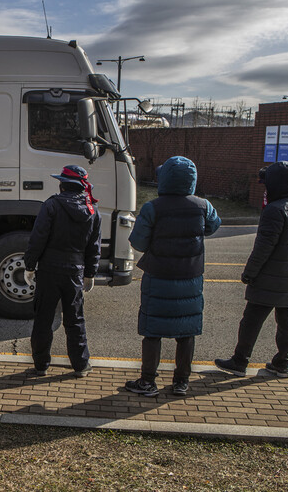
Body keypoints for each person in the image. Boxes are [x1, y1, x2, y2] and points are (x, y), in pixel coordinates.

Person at [123, 156, 221, 397]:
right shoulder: (203, 206)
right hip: (191, 277)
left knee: (153, 331)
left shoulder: (153, 208)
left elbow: (138, 242)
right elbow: (213, 226)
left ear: (165, 179)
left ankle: (148, 381)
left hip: (158, 277)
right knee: (186, 332)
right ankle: (181, 382)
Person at [215, 161, 288, 378]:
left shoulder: (274, 211)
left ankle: (240, 360)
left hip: (269, 278)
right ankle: (282, 363)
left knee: (251, 319)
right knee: (285, 320)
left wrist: (249, 273)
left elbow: (263, 248)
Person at [24, 165, 102, 378]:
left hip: (49, 269)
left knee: (43, 318)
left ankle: (41, 365)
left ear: (62, 184)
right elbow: (94, 247)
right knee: (75, 319)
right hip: (75, 271)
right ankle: (81, 365)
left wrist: (30, 265)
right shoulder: (92, 211)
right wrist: (90, 273)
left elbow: (38, 238)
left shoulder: (51, 205)